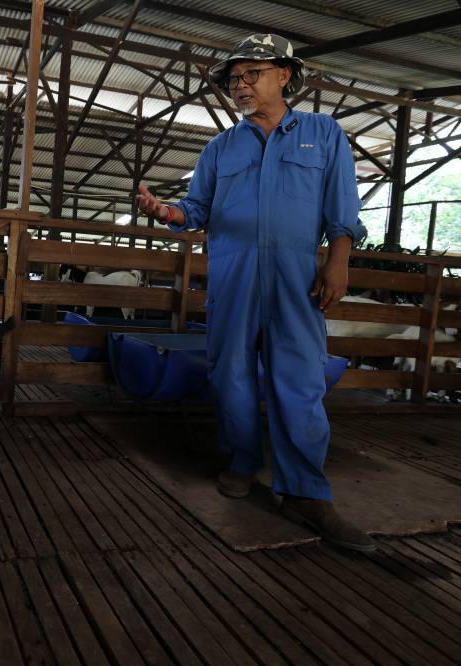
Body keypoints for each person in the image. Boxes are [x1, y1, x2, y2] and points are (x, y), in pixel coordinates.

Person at [136, 33, 374, 552]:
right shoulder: (220, 148)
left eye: (252, 75)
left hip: (296, 278)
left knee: (300, 380)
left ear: (283, 75)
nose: (240, 87)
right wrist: (166, 213)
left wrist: (338, 263)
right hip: (234, 275)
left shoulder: (323, 134)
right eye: (233, 79)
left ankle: (305, 490)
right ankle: (242, 462)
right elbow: (194, 211)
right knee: (233, 375)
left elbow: (342, 210)